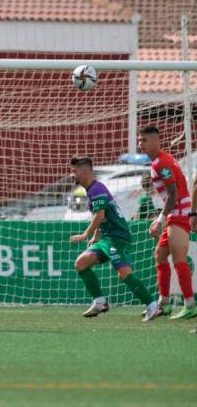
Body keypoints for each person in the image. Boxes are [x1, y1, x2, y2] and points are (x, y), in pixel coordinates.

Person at [68, 156, 160, 321]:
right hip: (106, 238)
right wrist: (96, 236)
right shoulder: (92, 189)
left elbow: (100, 215)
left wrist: (86, 234)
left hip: (117, 237)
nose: (71, 175)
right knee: (81, 263)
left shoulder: (96, 189)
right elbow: (103, 216)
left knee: (124, 274)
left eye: (74, 171)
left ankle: (152, 305)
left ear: (84, 171)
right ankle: (100, 301)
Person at [138, 126, 195, 319]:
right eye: (140, 140)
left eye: (144, 140)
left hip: (179, 213)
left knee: (179, 259)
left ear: (156, 141)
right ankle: (164, 302)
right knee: (160, 255)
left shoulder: (161, 162)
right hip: (174, 213)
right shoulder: (159, 161)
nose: (140, 144)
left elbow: (173, 194)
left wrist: (160, 219)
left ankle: (190, 304)